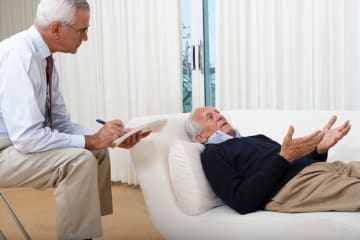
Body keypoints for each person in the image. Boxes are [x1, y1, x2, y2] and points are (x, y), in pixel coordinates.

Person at [0, 0, 148, 239]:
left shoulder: (44, 59)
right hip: (5, 150)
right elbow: (27, 139)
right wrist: (92, 140)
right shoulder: (20, 57)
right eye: (83, 30)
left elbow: (59, 122)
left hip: (15, 146)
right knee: (79, 160)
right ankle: (79, 235)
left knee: (96, 153)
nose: (86, 38)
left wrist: (107, 138)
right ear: (56, 28)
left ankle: (83, 231)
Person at [185, 106, 360, 215]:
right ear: (200, 137)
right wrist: (283, 158)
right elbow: (241, 201)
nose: (219, 116)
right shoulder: (213, 154)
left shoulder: (256, 138)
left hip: (319, 168)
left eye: (217, 112)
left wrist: (319, 149)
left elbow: (288, 163)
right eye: (210, 117)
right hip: (294, 187)